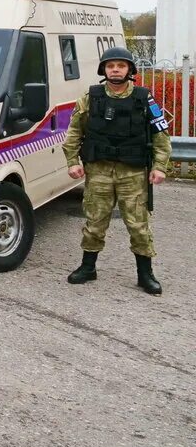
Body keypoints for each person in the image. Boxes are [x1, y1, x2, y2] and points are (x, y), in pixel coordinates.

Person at [62, 46, 171, 295]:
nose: (115, 70)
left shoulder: (145, 99)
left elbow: (161, 136)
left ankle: (145, 274)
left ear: (130, 70)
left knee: (138, 224)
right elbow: (74, 133)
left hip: (132, 173)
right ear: (104, 70)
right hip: (99, 170)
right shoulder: (91, 97)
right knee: (94, 221)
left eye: (121, 66)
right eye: (111, 66)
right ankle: (88, 267)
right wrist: (72, 162)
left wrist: (160, 167)